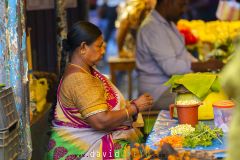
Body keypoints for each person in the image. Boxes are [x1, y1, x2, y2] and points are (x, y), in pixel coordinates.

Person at [47, 21, 153, 160]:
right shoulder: (79, 79)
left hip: (91, 145)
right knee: (146, 154)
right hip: (82, 151)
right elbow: (100, 121)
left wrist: (131, 107)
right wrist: (133, 108)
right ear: (84, 47)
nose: (103, 51)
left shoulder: (84, 71)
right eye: (99, 46)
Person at [136, 0, 223, 110]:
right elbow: (171, 67)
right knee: (209, 100)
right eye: (181, 5)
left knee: (218, 90)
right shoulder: (151, 27)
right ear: (167, 3)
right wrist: (204, 66)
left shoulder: (168, 24)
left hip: (172, 86)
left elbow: (183, 54)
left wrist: (207, 67)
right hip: (157, 93)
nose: (184, 10)